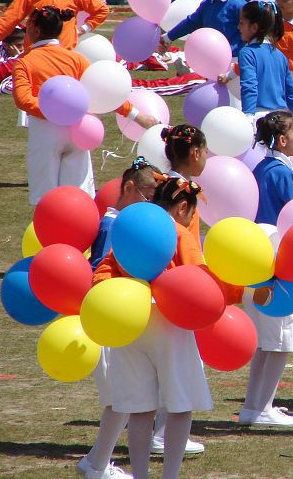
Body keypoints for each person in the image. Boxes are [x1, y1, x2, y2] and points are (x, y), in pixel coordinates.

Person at [94, 177, 233, 479]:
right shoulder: (179, 233)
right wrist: (237, 292)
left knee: (140, 407)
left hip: (129, 320)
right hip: (169, 323)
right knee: (179, 404)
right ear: (183, 207)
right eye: (193, 214)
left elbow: (102, 271)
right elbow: (200, 278)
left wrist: (123, 293)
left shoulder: (131, 228)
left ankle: (141, 475)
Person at [11, 5, 156, 204]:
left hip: (45, 132)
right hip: (78, 129)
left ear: (34, 30)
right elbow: (102, 93)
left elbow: (23, 99)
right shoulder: (76, 59)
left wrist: (55, 111)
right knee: (78, 197)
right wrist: (138, 116)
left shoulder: (24, 62)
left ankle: (47, 233)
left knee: (45, 197)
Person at [77, 157, 160, 479]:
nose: (150, 204)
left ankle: (97, 460)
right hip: (111, 320)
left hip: (118, 319)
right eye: (147, 196)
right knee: (121, 398)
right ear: (129, 188)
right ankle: (97, 463)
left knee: (122, 398)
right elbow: (103, 270)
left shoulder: (119, 225)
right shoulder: (114, 226)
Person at [239, 110, 293, 428]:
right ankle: (261, 408)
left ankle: (254, 406)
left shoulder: (261, 168)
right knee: (279, 340)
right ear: (282, 139)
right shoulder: (280, 172)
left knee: (265, 342)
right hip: (281, 264)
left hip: (258, 263)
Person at [151, 124, 209, 456]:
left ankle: (159, 431)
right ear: (196, 152)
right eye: (207, 151)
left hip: (168, 281)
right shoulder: (181, 192)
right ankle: (163, 434)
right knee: (178, 367)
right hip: (179, 282)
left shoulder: (167, 185)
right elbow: (187, 243)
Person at [235, 0, 293, 118]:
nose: (239, 27)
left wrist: (248, 116)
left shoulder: (247, 53)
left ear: (254, 27)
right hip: (284, 117)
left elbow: (249, 86)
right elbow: (291, 91)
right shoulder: (281, 55)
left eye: (241, 23)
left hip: (261, 118)